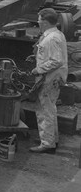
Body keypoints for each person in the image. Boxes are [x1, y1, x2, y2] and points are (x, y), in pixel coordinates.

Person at [28, 8, 68, 154]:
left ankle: (47, 144)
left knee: (44, 110)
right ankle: (51, 139)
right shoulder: (57, 34)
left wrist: (38, 69)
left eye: (39, 19)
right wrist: (37, 57)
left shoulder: (51, 38)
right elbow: (52, 55)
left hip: (49, 79)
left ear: (44, 22)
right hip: (53, 78)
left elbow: (56, 60)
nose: (37, 21)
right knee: (50, 109)